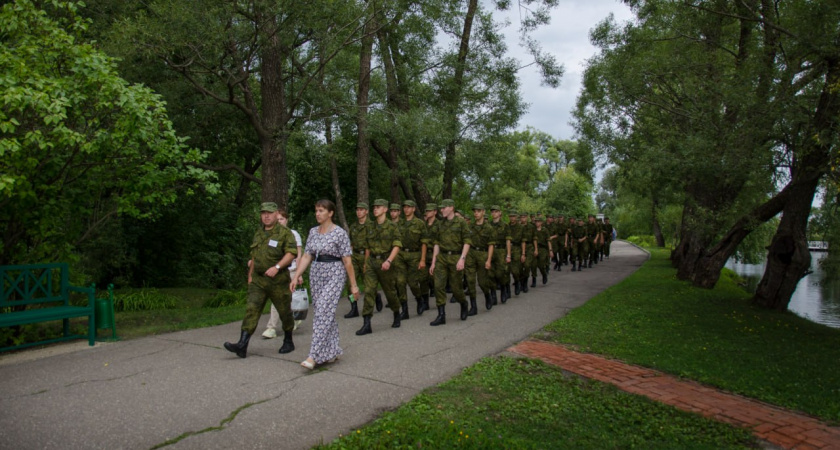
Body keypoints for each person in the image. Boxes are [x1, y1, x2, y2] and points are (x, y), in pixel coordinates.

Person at [291, 199, 359, 370]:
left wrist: (354, 285)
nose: (318, 214)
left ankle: (313, 356)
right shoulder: (313, 232)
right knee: (325, 312)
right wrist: (296, 275)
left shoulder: (340, 233)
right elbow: (307, 255)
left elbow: (347, 261)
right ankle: (332, 350)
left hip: (335, 273)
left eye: (321, 210)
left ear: (330, 213)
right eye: (316, 210)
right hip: (316, 274)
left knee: (322, 311)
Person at [224, 202, 298, 358]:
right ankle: (242, 345)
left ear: (276, 214)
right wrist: (250, 275)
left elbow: (291, 253)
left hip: (278, 280)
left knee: (284, 311)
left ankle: (288, 340)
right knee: (252, 309)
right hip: (258, 280)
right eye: (263, 213)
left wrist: (277, 267)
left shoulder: (285, 233)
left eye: (269, 213)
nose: (266, 216)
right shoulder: (258, 233)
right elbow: (254, 256)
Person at [356, 198, 403, 335]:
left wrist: (389, 261)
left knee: (390, 291)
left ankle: (396, 312)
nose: (375, 209)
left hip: (385, 263)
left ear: (385, 209)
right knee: (369, 291)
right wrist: (365, 262)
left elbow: (397, 245)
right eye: (374, 207)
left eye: (378, 207)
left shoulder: (392, 226)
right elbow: (367, 247)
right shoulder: (370, 226)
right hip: (372, 262)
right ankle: (366, 323)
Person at [428, 199, 472, 325]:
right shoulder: (440, 224)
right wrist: (433, 262)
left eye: (444, 208)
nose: (442, 210)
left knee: (456, 288)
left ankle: (463, 303)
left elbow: (467, 241)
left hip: (456, 257)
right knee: (438, 286)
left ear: (451, 207)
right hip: (442, 257)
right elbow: (436, 243)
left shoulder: (461, 222)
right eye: (441, 208)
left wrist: (462, 259)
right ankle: (441, 315)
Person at [262, 211, 302, 339]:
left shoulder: (293, 234)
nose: (280, 221)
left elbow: (299, 255)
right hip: (278, 273)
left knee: (288, 299)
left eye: (282, 219)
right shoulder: (273, 235)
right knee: (277, 299)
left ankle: (289, 321)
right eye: (277, 219)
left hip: (291, 271)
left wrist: (299, 274)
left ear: (286, 220)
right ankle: (272, 327)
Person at [396, 199, 428, 317]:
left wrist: (423, 259)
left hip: (415, 255)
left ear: (413, 209)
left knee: (413, 283)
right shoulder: (400, 223)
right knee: (400, 282)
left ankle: (419, 299)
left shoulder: (420, 223)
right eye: (404, 207)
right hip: (401, 255)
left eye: (409, 207)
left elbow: (424, 242)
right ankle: (404, 310)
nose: (406, 209)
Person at [466, 203, 496, 313]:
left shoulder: (489, 228)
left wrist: (488, 260)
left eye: (478, 211)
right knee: (470, 281)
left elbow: (491, 245)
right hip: (471, 254)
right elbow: (467, 242)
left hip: (483, 254)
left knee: (482, 282)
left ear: (483, 212)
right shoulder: (470, 227)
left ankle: (487, 295)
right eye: (475, 211)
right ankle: (473, 307)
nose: (476, 213)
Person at [489, 205, 512, 303]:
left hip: (501, 251)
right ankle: (493, 295)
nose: (494, 213)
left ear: (500, 213)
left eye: (496, 211)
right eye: (492, 211)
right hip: (491, 251)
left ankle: (503, 290)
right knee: (491, 274)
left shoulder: (505, 226)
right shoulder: (488, 225)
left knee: (500, 273)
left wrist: (508, 254)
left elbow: (508, 241)